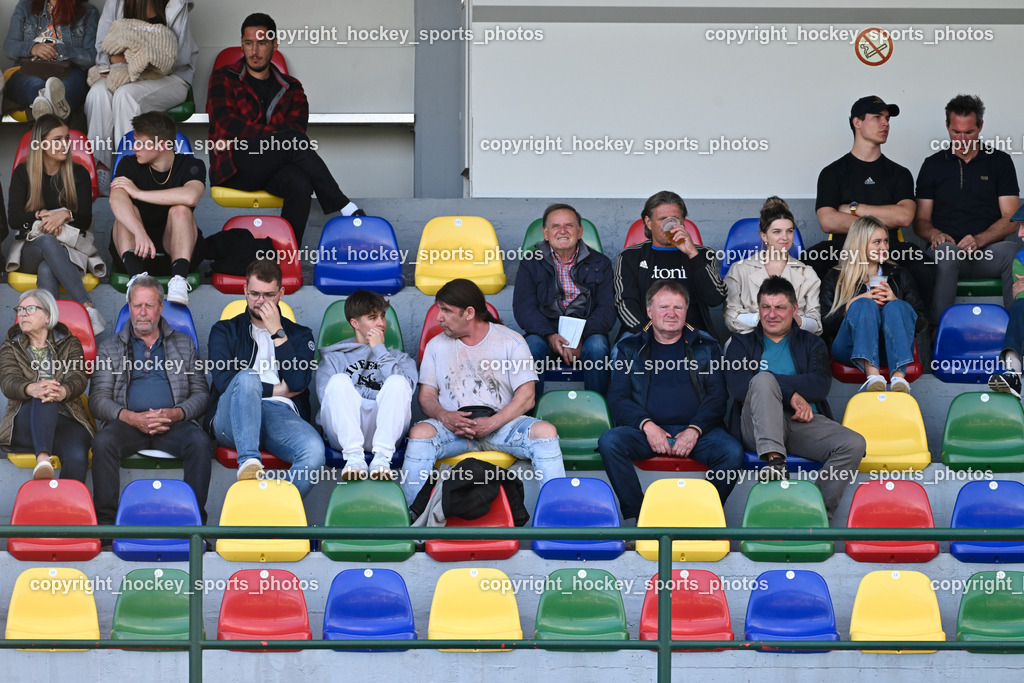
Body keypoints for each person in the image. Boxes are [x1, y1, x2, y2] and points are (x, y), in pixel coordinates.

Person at [399, 278, 565, 504]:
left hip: (502, 425)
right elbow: (426, 397)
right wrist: (444, 416)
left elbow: (526, 397)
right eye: (439, 310)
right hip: (453, 428)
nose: (439, 317)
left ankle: (556, 514)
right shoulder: (435, 345)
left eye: (446, 311)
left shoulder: (511, 341)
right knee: (420, 434)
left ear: (469, 312)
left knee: (545, 431)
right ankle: (411, 520)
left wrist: (493, 422)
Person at [207, 12, 363, 243]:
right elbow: (228, 125)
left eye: (262, 43)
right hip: (235, 167)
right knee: (290, 140)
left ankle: (285, 257)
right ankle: (344, 205)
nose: (254, 51)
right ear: (242, 44)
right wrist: (276, 139)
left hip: (273, 168)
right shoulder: (224, 77)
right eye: (248, 43)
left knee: (300, 181)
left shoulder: (291, 88)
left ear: (274, 44)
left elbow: (297, 131)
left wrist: (272, 142)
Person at [598, 280, 743, 522]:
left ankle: (701, 517)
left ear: (686, 311)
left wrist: (694, 430)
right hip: (648, 433)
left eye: (678, 307)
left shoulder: (706, 346)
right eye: (664, 307)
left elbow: (718, 397)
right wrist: (648, 426)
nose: (671, 314)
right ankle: (641, 516)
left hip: (699, 433)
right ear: (649, 311)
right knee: (610, 441)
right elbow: (618, 397)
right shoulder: (629, 347)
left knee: (732, 451)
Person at [724, 276, 866, 517]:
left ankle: (815, 512)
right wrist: (791, 394)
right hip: (757, 426)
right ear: (758, 309)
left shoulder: (813, 343)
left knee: (854, 444)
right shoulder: (740, 344)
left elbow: (820, 385)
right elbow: (739, 388)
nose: (772, 314)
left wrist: (779, 388)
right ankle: (776, 462)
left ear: (794, 309)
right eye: (765, 307)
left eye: (780, 307)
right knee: (761, 379)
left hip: (801, 423)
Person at [89, 274, 212, 525]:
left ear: (161, 307)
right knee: (103, 442)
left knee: (200, 442)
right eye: (137, 306)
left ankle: (194, 524)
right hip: (127, 424)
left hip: (173, 424)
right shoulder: (110, 347)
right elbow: (97, 400)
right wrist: (131, 417)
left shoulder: (184, 344)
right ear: (129, 308)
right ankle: (106, 528)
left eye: (149, 305)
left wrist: (175, 413)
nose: (142, 313)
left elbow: (201, 394)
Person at [808, 95, 935, 318]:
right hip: (844, 246)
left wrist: (854, 208)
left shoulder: (899, 173)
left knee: (923, 263)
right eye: (877, 117)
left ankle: (921, 333)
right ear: (857, 122)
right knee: (808, 262)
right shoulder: (832, 172)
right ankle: (818, 336)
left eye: (887, 118)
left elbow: (905, 216)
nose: (885, 123)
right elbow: (827, 220)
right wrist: (884, 215)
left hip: (889, 246)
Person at [208, 260, 325, 497]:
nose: (260, 301)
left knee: (314, 454)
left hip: (279, 416)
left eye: (268, 295)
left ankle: (274, 512)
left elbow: (299, 381)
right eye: (254, 294)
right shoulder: (224, 330)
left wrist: (277, 333)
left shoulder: (300, 335)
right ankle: (249, 462)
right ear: (245, 291)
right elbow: (222, 381)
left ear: (281, 293)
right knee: (247, 377)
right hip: (232, 414)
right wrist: (277, 390)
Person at [915, 94, 1021, 322]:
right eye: (956, 132)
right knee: (947, 252)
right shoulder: (932, 165)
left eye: (969, 132)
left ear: (981, 126)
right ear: (947, 126)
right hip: (944, 253)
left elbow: (1012, 219)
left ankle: (1017, 332)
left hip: (988, 252)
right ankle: (938, 332)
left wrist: (979, 240)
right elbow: (920, 221)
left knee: (1015, 254)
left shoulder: (999, 161)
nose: (962, 139)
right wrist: (935, 234)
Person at [7, 114, 105, 333]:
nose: (65, 145)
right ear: (41, 143)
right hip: (31, 248)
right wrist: (42, 216)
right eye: (57, 139)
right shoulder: (23, 173)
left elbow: (85, 219)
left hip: (70, 250)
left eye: (67, 138)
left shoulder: (78, 173)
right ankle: (87, 306)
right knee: (48, 241)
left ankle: (47, 336)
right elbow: (15, 220)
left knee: (47, 269)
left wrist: (66, 214)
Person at [85, 0, 196, 192]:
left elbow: (180, 56)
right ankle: (100, 167)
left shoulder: (176, 3)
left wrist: (137, 61)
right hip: (123, 72)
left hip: (171, 78)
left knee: (126, 95)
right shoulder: (117, 2)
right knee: (98, 92)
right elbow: (104, 49)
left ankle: (130, 171)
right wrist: (135, 60)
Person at [513, 203, 615, 396]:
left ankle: (600, 411)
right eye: (555, 226)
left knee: (598, 348)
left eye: (568, 225)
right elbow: (523, 308)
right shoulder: (530, 262)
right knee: (531, 348)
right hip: (545, 332)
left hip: (587, 332)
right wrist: (549, 335)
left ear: (579, 231)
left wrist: (580, 337)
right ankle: (529, 417)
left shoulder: (600, 263)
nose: (562, 231)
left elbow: (607, 309)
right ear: (545, 233)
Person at [317, 289, 417, 480]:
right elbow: (327, 399)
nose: (380, 323)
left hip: (386, 430)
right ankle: (354, 458)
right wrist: (375, 395)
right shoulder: (333, 359)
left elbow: (407, 393)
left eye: (382, 316)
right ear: (354, 323)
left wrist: (380, 351)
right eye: (372, 317)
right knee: (338, 381)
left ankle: (382, 460)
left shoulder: (400, 359)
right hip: (345, 434)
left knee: (398, 381)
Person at [820, 215, 927, 393]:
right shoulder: (836, 276)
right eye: (877, 242)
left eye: (886, 241)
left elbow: (921, 322)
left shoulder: (899, 274)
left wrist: (896, 301)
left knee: (897, 306)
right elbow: (825, 325)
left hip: (890, 350)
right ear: (860, 244)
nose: (884, 247)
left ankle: (899, 380)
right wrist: (851, 305)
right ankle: (873, 377)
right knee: (864, 305)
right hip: (850, 349)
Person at [109, 110, 204, 304]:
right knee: (127, 211)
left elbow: (191, 196)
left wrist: (138, 193)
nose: (134, 148)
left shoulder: (191, 165)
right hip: (136, 252)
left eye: (141, 143)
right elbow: (115, 200)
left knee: (180, 210)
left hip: (176, 252)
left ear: (162, 145)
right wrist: (139, 233)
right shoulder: (129, 164)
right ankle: (136, 280)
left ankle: (179, 280)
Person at [0, 288, 92, 481]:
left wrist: (63, 391)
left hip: (65, 418)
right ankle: (43, 458)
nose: (22, 314)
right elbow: (8, 381)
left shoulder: (70, 343)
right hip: (24, 420)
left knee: (77, 455)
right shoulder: (10, 346)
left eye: (30, 309)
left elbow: (78, 377)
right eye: (20, 309)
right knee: (44, 395)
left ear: (48, 314)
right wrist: (30, 388)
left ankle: (67, 508)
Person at [615, 190, 726, 336]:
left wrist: (693, 254)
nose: (669, 225)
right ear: (648, 222)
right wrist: (647, 333)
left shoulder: (703, 254)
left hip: (693, 332)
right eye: (663, 219)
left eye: (675, 219)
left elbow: (716, 298)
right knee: (621, 354)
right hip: (641, 331)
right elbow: (625, 303)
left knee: (709, 354)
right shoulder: (630, 256)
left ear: (683, 222)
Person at [724, 196, 821, 336]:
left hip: (794, 341)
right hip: (750, 340)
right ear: (764, 236)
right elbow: (730, 316)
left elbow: (816, 323)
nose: (785, 237)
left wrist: (796, 320)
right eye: (777, 232)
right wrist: (762, 319)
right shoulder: (740, 269)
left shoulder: (807, 273)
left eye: (789, 231)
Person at [3, 0, 98, 119]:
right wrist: (32, 48)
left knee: (60, 92)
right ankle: (54, 126)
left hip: (69, 72)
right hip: (30, 69)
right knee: (36, 87)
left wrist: (61, 51)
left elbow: (92, 58)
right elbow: (9, 48)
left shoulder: (88, 12)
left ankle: (44, 129)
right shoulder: (25, 6)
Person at [988, 206, 1024, 397]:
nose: (1020, 234)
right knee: (1020, 307)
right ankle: (1013, 374)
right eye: (1019, 226)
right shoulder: (1021, 259)